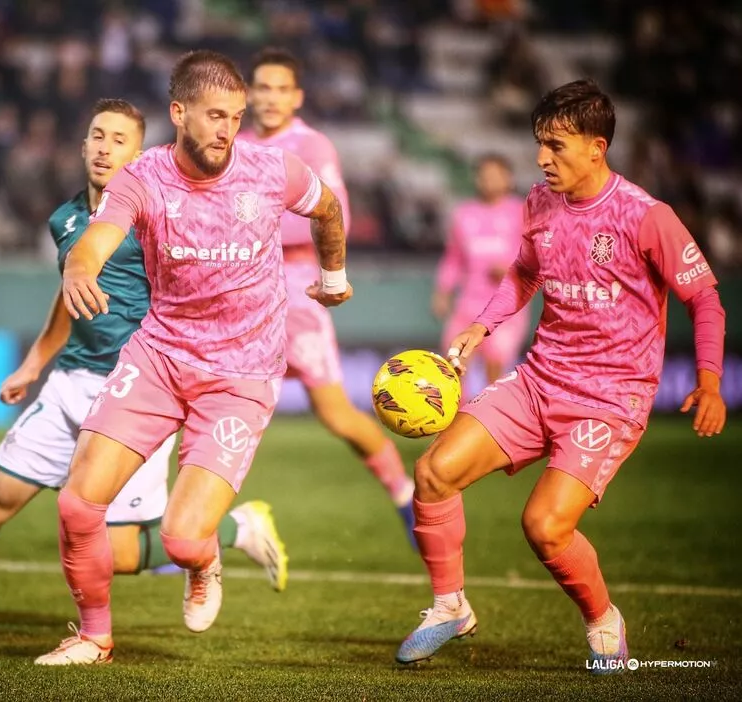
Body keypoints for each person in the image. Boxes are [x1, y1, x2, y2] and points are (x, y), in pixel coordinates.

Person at [0, 98, 285, 637]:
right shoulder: (67, 218)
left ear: (141, 153)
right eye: (97, 136)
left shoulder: (159, 215)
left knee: (119, 552)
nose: (104, 148)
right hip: (70, 382)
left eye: (119, 139)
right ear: (83, 146)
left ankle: (235, 529)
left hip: (139, 395)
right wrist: (35, 363)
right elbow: (70, 293)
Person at [396, 80, 727, 672]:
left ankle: (603, 621)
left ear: (597, 148)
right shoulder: (540, 202)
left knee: (545, 527)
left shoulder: (646, 216)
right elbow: (525, 272)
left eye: (556, 145)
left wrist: (708, 379)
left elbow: (703, 297)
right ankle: (450, 606)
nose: (542, 158)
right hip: (539, 379)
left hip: (610, 397)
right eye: (538, 144)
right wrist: (482, 326)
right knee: (433, 472)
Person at [34, 50, 350, 666]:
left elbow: (329, 208)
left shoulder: (272, 170)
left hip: (242, 375)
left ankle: (205, 562)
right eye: (213, 116)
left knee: (180, 539)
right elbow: (97, 237)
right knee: (77, 506)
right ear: (178, 113)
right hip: (159, 359)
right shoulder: (143, 177)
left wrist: (333, 273)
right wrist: (77, 267)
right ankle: (95, 635)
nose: (227, 130)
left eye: (234, 116)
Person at [236, 47, 417, 546]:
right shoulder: (237, 142)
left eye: (280, 88)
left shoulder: (311, 147)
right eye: (262, 87)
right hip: (242, 291)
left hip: (296, 292)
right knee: (227, 406)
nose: (270, 97)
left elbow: (332, 215)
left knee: (336, 413)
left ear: (297, 96)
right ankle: (196, 529)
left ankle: (404, 493)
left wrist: (255, 223)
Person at [432, 154, 530, 398]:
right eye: (484, 175)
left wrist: (511, 267)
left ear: (509, 178)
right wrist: (443, 291)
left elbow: (535, 254)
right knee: (453, 362)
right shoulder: (464, 214)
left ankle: (490, 424)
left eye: (495, 175)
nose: (488, 180)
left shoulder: (522, 212)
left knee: (495, 365)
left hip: (506, 305)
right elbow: (453, 257)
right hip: (469, 303)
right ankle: (456, 421)